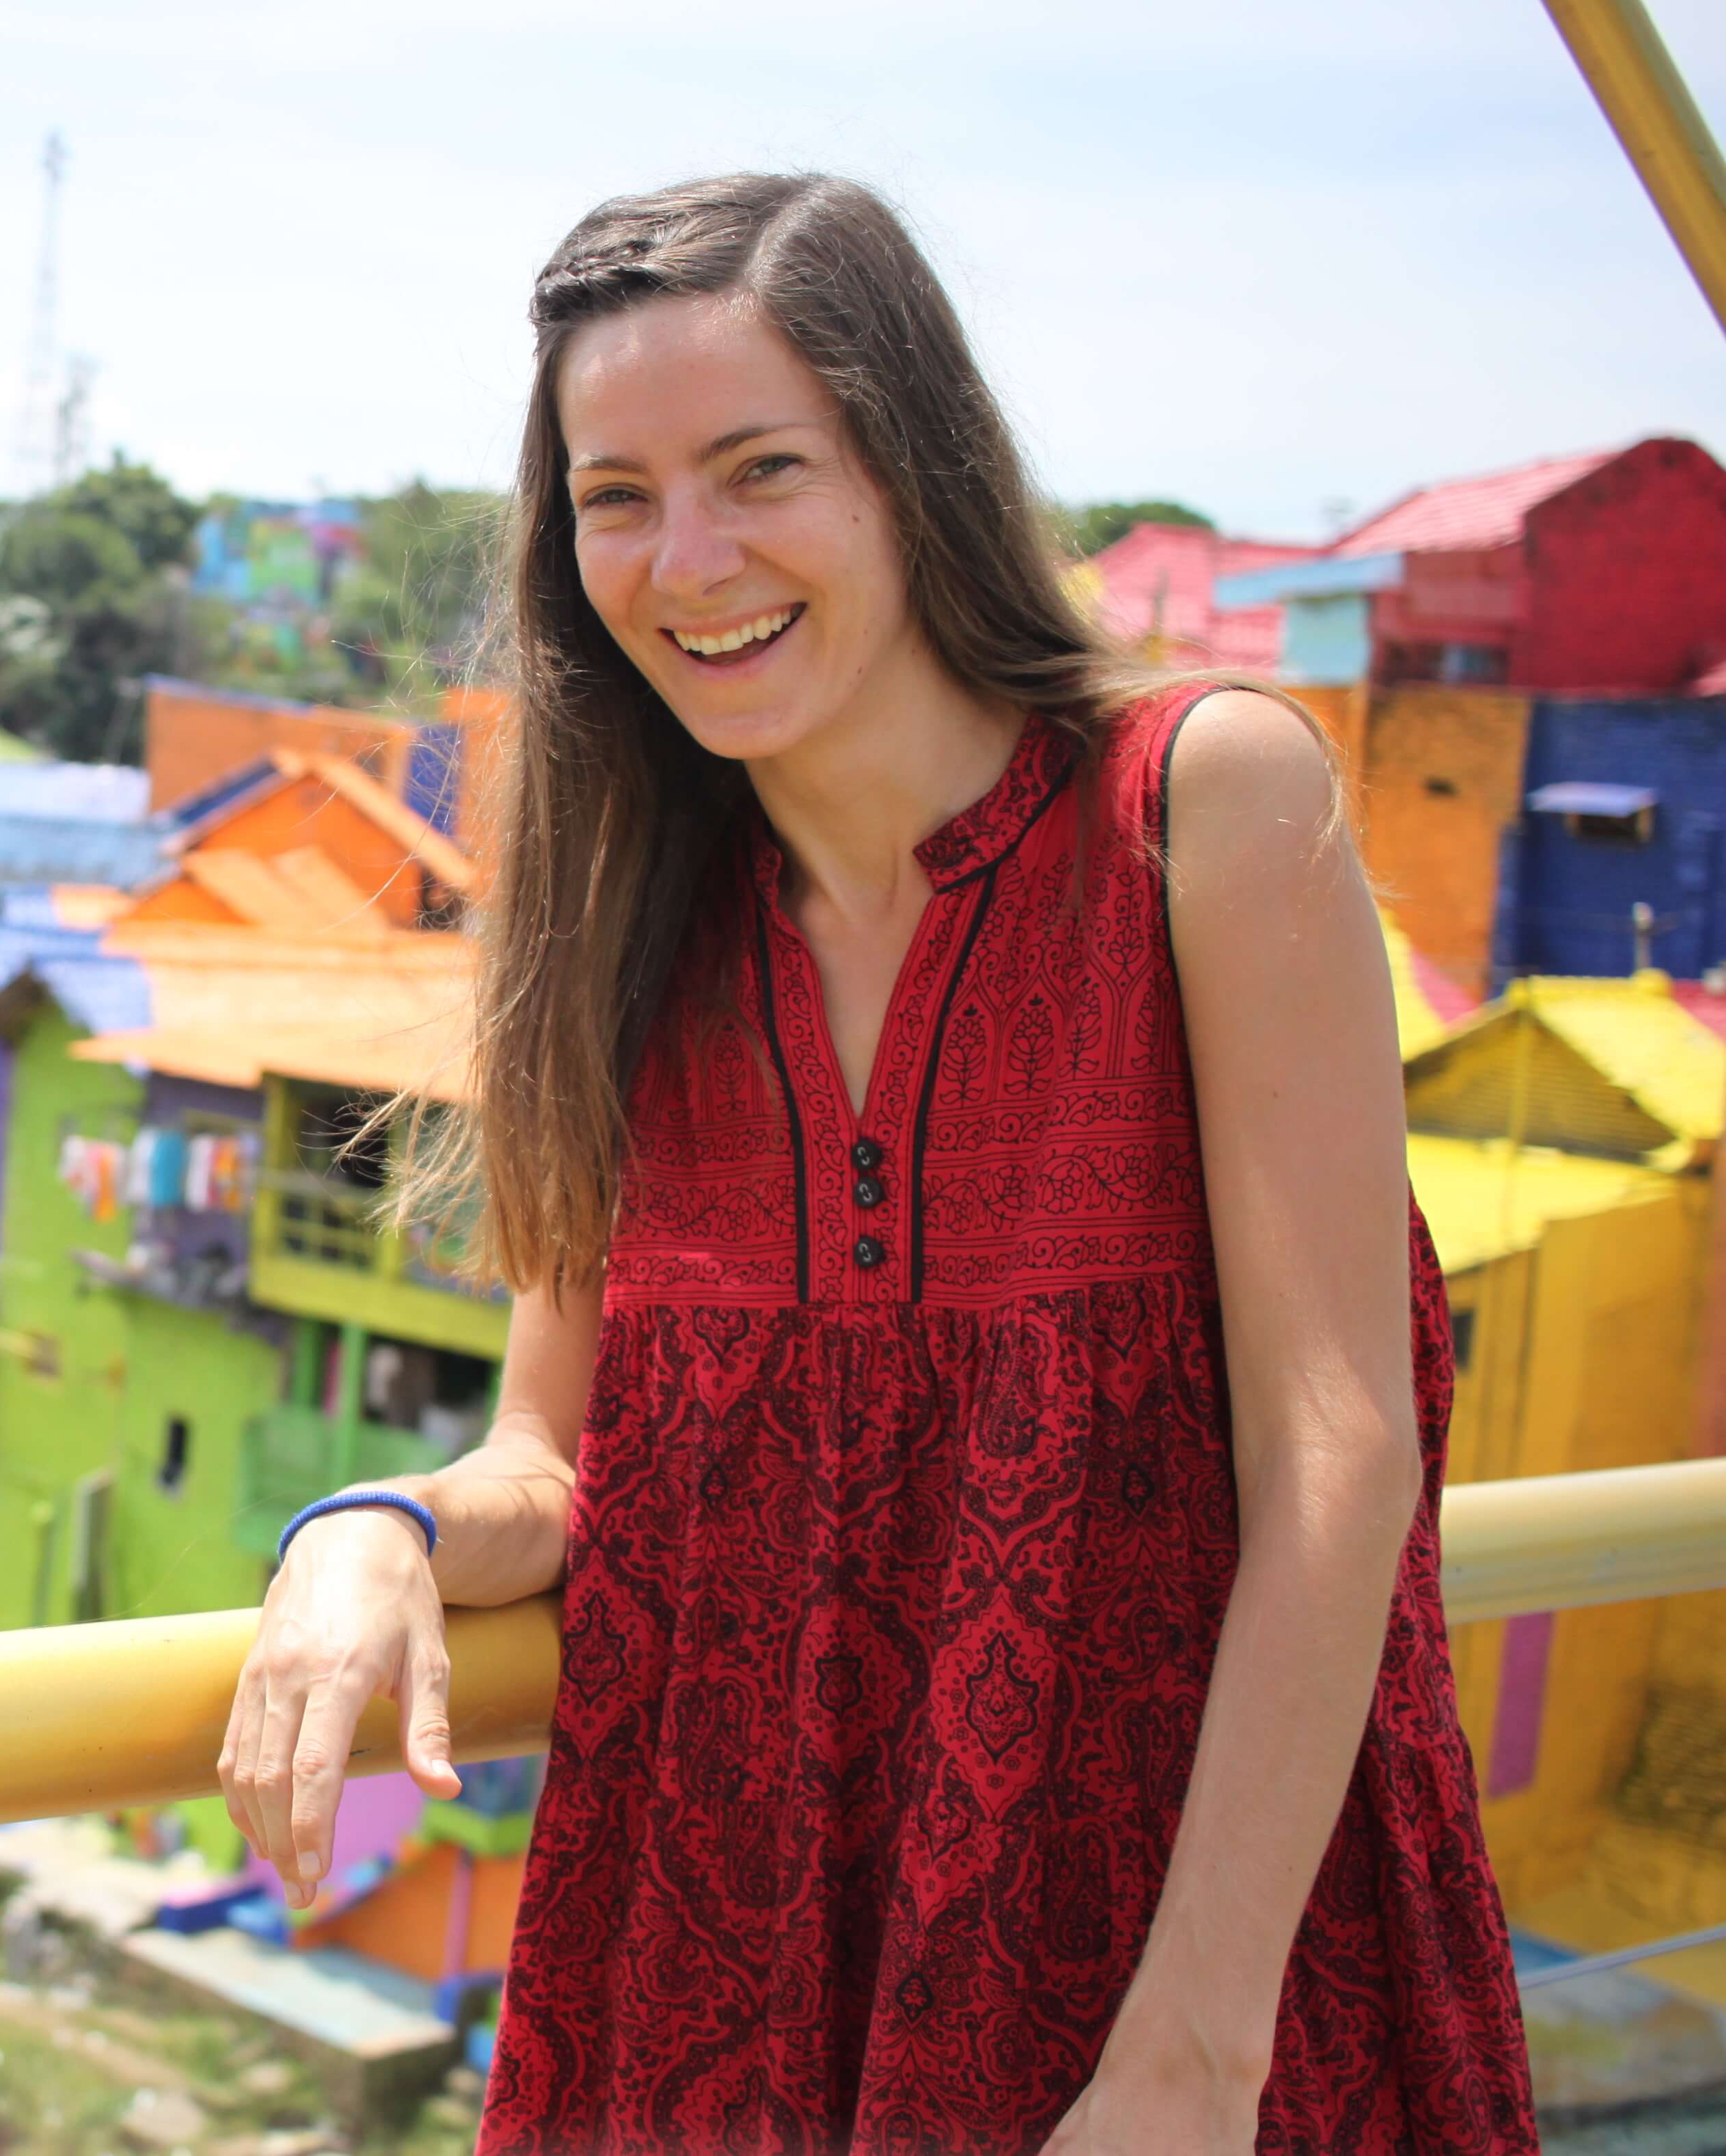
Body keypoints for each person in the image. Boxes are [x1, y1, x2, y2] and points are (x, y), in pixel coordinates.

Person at [216, 175, 1532, 2153]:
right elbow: (554, 1460)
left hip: (1193, 1994)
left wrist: (1192, 2053)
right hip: (717, 1988)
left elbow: (1340, 1449)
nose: (689, 559)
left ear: (911, 469)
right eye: (617, 497)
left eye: (763, 470)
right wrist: (370, 1533)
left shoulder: (1203, 805)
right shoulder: (616, 926)